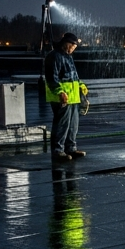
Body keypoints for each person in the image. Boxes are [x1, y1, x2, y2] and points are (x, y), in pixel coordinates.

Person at [43, 32, 86, 162]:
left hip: (73, 98)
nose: (73, 48)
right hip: (61, 98)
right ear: (66, 43)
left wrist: (81, 85)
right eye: (73, 45)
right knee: (61, 125)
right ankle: (58, 151)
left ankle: (70, 148)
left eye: (75, 47)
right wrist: (60, 92)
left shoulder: (68, 56)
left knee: (73, 125)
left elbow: (74, 75)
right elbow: (51, 78)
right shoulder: (54, 56)